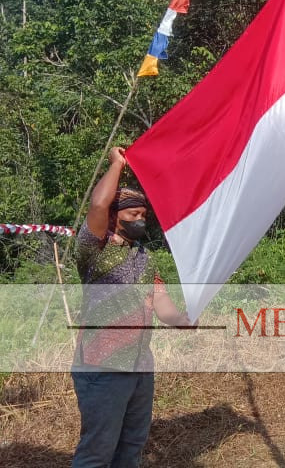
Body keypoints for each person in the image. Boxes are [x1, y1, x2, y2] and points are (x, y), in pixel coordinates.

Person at [72, 147, 191, 468]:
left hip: (139, 366)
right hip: (102, 367)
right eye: (133, 214)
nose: (140, 220)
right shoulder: (93, 250)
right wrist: (117, 164)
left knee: (131, 446)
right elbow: (98, 203)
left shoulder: (143, 256)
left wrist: (183, 319)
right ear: (115, 216)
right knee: (98, 451)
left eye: (143, 215)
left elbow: (161, 303)